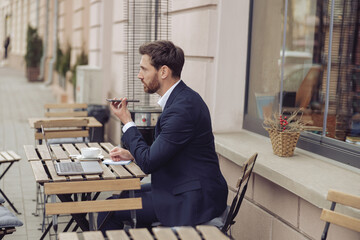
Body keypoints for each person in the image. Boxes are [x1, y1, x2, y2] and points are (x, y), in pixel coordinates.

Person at [97, 40, 228, 232]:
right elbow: (166, 148)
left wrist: (127, 121)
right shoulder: (181, 99)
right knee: (123, 195)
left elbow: (149, 163)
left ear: (163, 72)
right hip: (181, 186)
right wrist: (133, 154)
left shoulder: (182, 109)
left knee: (107, 209)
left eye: (144, 69)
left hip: (192, 199)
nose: (139, 75)